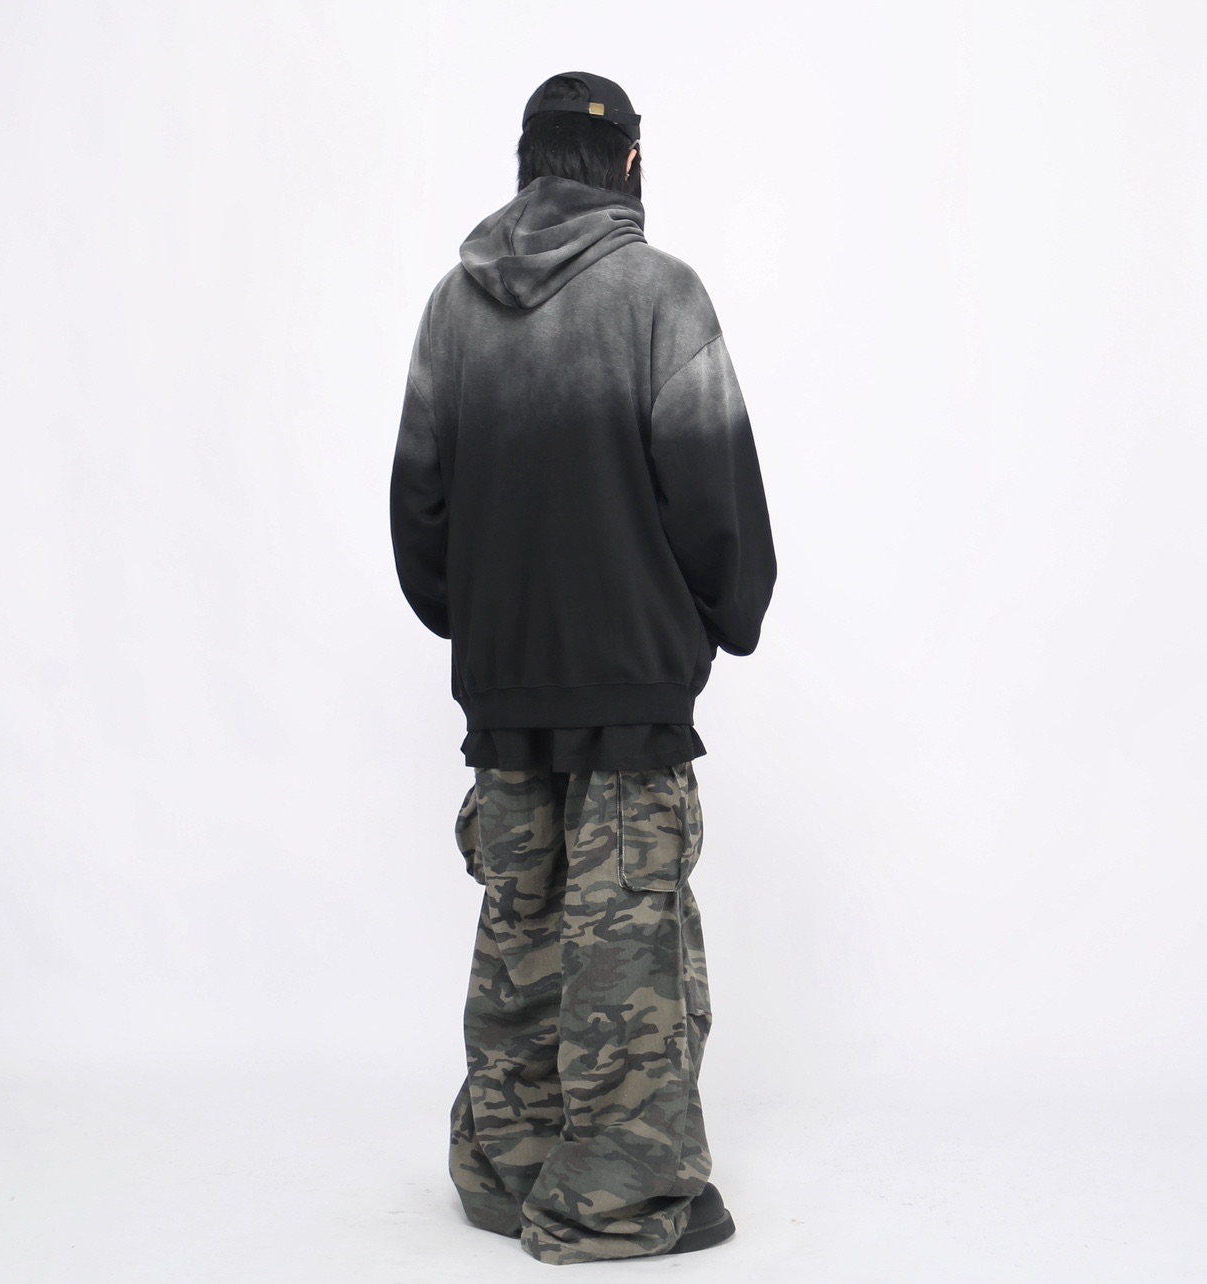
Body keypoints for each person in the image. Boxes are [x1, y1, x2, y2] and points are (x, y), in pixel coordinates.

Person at [389, 70, 776, 1265]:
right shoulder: (661, 296)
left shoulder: (453, 310)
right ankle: (613, 1201)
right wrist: (718, 623)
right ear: (629, 167)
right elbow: (718, 503)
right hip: (629, 687)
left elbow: (419, 513)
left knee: (521, 931)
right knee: (624, 949)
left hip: (504, 686)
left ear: (525, 163)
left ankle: (507, 1170)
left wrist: (485, 629)